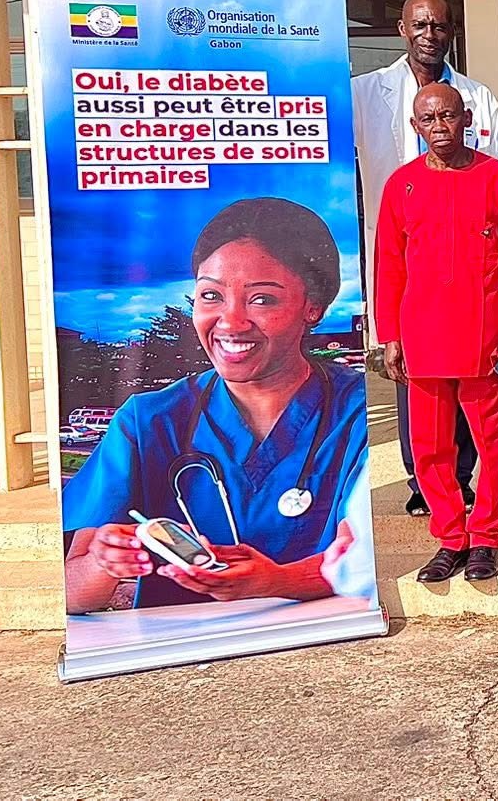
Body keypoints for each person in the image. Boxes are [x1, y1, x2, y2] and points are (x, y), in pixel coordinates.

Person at [62, 199, 372, 612]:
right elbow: (71, 593)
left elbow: (364, 561)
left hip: (328, 646)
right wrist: (105, 562)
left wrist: (274, 581)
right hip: (183, 658)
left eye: (262, 299)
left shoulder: (357, 412)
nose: (230, 322)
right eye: (211, 295)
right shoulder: (148, 422)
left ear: (312, 307)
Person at [354, 0, 498, 516]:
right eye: (420, 24)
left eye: (440, 25)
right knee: (420, 399)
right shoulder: (362, 93)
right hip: (408, 262)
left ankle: (468, 492)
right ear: (402, 28)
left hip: (471, 268)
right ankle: (427, 489)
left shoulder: (478, 98)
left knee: (477, 396)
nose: (429, 33)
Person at [375, 84, 498, 584]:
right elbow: (389, 264)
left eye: (448, 115)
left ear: (466, 117)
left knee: (494, 443)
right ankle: (450, 536)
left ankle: (486, 534)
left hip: (484, 337)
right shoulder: (401, 185)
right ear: (416, 126)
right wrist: (390, 336)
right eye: (429, 118)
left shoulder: (497, 177)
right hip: (421, 336)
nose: (439, 125)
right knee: (430, 446)